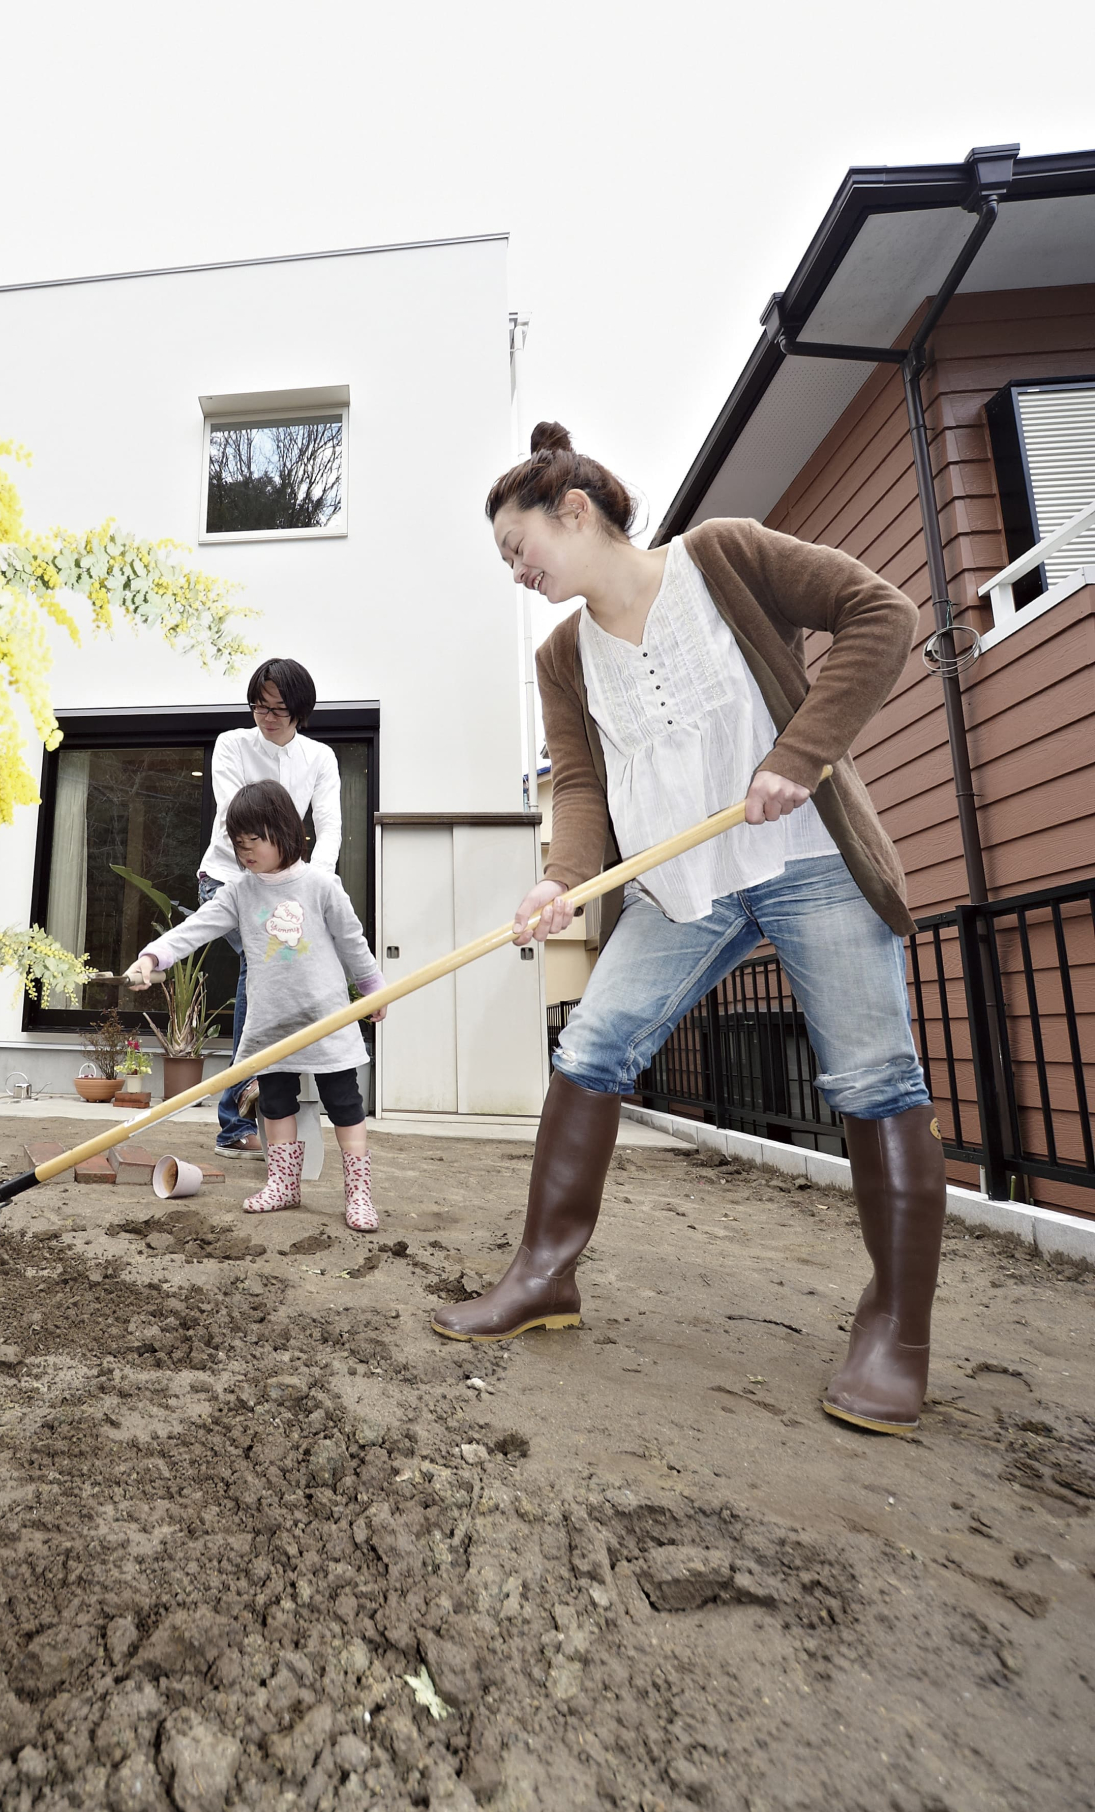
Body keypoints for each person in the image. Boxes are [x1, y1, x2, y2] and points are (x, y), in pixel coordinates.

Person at [431, 420, 947, 1439]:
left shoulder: (725, 557)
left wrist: (799, 757)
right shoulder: (564, 654)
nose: (516, 570)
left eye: (517, 546)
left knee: (871, 1080)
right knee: (592, 1045)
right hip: (681, 888)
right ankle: (544, 1276)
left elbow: (880, 614)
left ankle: (896, 1329)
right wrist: (564, 878)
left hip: (805, 864)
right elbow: (580, 783)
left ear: (574, 512)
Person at [126, 779, 386, 1231]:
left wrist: (372, 988)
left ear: (284, 831)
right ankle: (284, 1184)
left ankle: (359, 1194)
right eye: (239, 843)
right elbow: (196, 928)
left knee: (345, 1103)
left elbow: (352, 941)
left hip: (327, 1020)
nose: (246, 852)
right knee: (275, 1103)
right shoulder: (240, 892)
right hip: (271, 1024)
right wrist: (152, 956)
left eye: (255, 841)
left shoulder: (321, 884)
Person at [197, 657, 343, 1155]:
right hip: (228, 881)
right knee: (259, 975)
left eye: (279, 708)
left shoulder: (319, 758)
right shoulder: (232, 746)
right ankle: (238, 1115)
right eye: (260, 706)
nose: (268, 717)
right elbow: (238, 816)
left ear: (300, 710)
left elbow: (329, 828)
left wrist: (312, 888)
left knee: (286, 971)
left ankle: (260, 1090)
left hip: (286, 889)